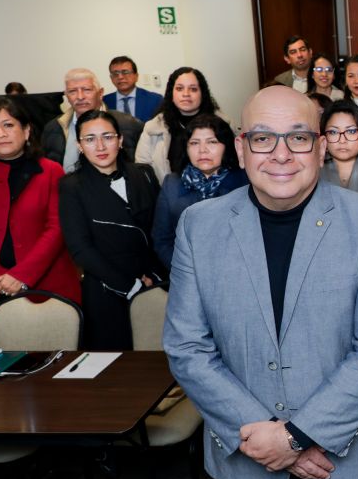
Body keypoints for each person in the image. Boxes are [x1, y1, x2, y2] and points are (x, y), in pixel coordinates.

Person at [163, 84, 358, 479]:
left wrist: (294, 437)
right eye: (262, 138)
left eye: (297, 138)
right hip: (247, 462)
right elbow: (188, 348)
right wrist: (269, 442)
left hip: (348, 464)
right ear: (240, 146)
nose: (280, 154)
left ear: (319, 146)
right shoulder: (199, 225)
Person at [0, 97, 81, 345]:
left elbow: (57, 228)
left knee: (52, 364)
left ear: (27, 130)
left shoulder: (51, 171)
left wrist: (22, 275)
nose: (0, 133)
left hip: (46, 283)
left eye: (8, 124)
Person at [58, 110, 165, 350]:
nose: (100, 145)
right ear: (80, 146)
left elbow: (160, 231)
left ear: (120, 140)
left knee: (159, 358)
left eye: (107, 136)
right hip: (106, 288)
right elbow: (80, 249)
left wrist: (155, 276)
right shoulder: (71, 186)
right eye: (90, 139)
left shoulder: (144, 174)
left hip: (154, 282)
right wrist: (130, 285)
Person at [152, 114, 248, 269]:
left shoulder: (245, 182)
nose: (202, 150)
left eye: (212, 142)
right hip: (186, 273)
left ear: (227, 146)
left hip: (237, 272)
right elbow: (162, 240)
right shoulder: (172, 184)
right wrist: (185, 272)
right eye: (194, 143)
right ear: (186, 148)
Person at [41, 68, 142, 171]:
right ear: (66, 96)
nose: (80, 97)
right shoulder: (53, 128)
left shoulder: (128, 124)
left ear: (101, 93)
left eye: (87, 90)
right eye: (72, 91)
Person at [136, 66, 218, 184]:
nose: (186, 94)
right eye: (179, 88)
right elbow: (142, 171)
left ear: (202, 94)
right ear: (171, 94)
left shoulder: (222, 124)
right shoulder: (152, 128)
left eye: (193, 89)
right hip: (168, 197)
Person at [321, 101, 358, 196]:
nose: (342, 140)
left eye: (351, 131)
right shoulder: (312, 169)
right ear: (324, 137)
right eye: (333, 132)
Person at [103, 55, 162, 122]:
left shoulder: (154, 100)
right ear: (111, 78)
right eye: (115, 73)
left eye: (125, 72)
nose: (120, 77)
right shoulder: (104, 102)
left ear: (136, 76)